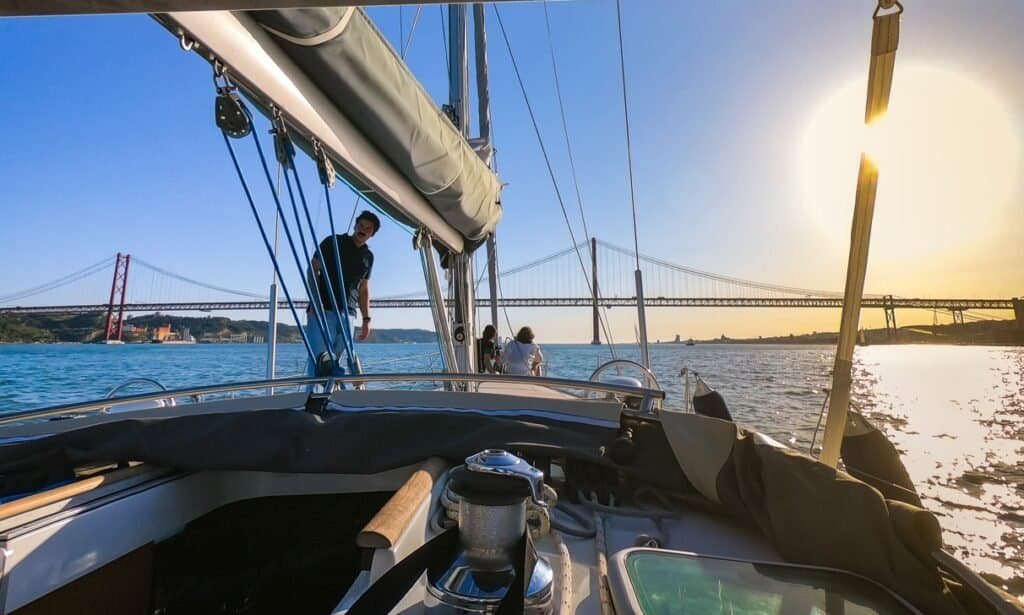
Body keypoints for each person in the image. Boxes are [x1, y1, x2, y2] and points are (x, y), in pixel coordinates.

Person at [306, 210, 380, 376]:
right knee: (320, 361)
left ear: (372, 234)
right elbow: (313, 269)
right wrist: (314, 303)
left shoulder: (369, 257)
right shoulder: (333, 241)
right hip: (323, 309)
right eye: (361, 225)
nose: (363, 230)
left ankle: (333, 399)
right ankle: (312, 399)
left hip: (349, 315)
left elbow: (364, 289)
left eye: (368, 229)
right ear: (355, 225)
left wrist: (366, 319)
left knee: (335, 362)